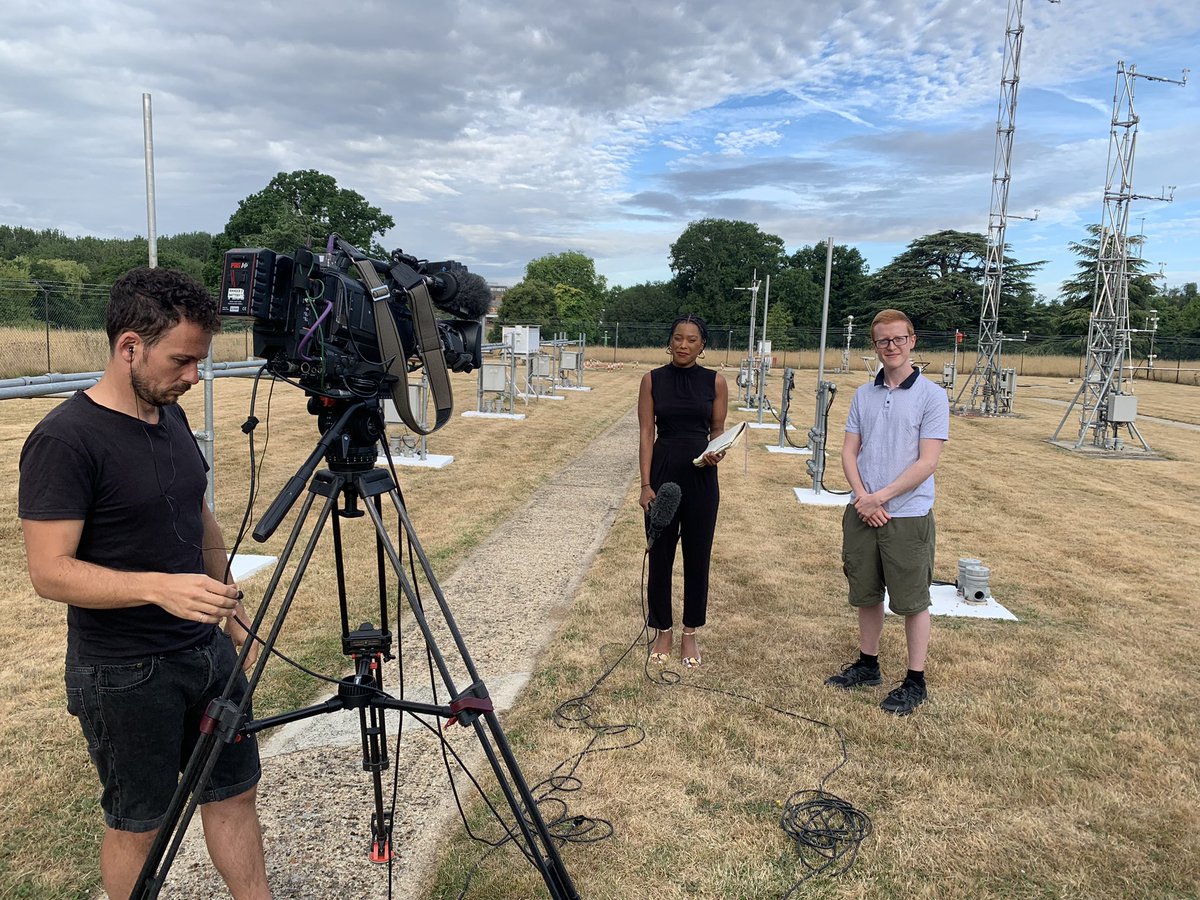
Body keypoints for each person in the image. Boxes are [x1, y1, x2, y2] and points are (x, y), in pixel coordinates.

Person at [18, 267, 271, 898]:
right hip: (124, 671)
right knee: (142, 827)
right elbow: (49, 572)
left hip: (206, 651)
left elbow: (199, 516)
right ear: (130, 346)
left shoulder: (170, 417)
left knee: (235, 795)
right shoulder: (64, 440)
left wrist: (233, 613)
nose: (193, 377)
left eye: (199, 363)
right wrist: (160, 587)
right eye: (182, 361)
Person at [825, 309, 949, 716]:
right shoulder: (864, 394)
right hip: (862, 510)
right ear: (874, 346)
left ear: (912, 341)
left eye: (898, 339)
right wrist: (863, 496)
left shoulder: (932, 396)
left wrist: (882, 498)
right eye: (882, 341)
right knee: (866, 593)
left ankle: (915, 680)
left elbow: (926, 462)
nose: (891, 347)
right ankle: (868, 664)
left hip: (907, 515)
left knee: (912, 600)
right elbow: (848, 450)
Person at [638, 314, 729, 669]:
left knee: (697, 556)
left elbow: (717, 429)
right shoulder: (652, 380)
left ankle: (690, 631)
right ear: (670, 340)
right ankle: (663, 629)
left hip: (701, 478)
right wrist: (645, 485)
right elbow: (647, 433)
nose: (683, 345)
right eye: (678, 338)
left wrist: (716, 451)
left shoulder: (715, 382)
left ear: (702, 345)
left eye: (692, 339)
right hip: (662, 472)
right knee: (660, 556)